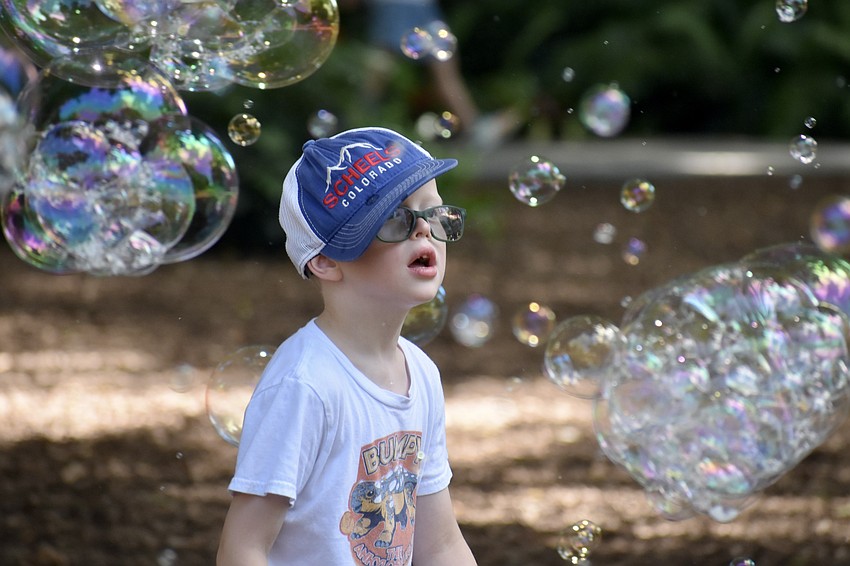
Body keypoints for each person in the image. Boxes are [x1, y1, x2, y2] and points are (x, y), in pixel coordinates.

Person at [216, 126, 478, 566]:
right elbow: (244, 546)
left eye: (435, 214)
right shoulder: (306, 385)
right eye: (395, 219)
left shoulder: (422, 374)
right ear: (324, 260)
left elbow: (440, 545)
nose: (424, 232)